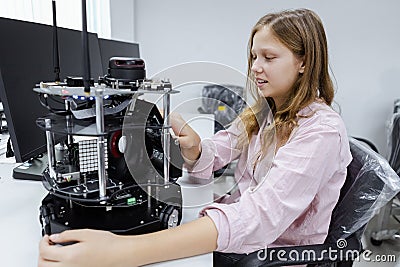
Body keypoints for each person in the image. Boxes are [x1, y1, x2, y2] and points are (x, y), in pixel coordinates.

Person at [38, 8, 352, 267]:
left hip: (277, 254)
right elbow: (223, 147)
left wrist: (121, 251)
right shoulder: (265, 113)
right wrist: (196, 147)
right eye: (254, 56)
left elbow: (261, 216)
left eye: (269, 57)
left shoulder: (321, 132)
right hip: (245, 239)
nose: (256, 67)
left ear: (304, 62)